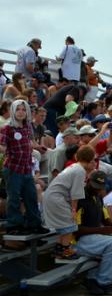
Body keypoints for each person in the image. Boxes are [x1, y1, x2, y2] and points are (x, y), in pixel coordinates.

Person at [75, 170, 112, 296]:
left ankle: (93, 278)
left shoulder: (98, 196)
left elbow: (105, 219)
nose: (97, 190)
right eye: (95, 187)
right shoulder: (79, 198)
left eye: (99, 188)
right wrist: (101, 230)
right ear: (88, 181)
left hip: (94, 238)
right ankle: (105, 282)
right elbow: (76, 229)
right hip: (79, 241)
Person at [0, 100, 49, 235]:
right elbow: (3, 148)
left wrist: (38, 147)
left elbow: (31, 142)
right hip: (13, 168)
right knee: (14, 198)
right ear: (13, 111)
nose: (21, 112)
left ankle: (34, 224)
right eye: (18, 109)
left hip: (27, 167)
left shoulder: (28, 126)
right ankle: (13, 226)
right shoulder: (7, 128)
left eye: (23, 109)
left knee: (31, 196)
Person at [43, 145, 97, 259]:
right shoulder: (80, 171)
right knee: (70, 225)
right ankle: (65, 251)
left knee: (65, 227)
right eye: (93, 159)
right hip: (57, 198)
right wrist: (73, 210)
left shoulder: (76, 167)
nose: (95, 162)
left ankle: (59, 249)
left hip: (53, 197)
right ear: (89, 159)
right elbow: (75, 195)